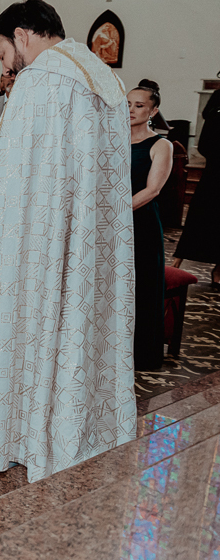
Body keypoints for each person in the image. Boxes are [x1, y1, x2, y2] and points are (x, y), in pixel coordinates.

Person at [0, 0, 135, 485]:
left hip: (33, 246)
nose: (5, 65)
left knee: (14, 327)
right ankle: (66, 433)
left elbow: (2, 173)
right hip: (83, 245)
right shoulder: (102, 77)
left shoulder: (43, 80)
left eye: (1, 54)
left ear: (21, 36)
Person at [127, 85, 173, 371]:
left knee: (141, 286)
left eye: (139, 105)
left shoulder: (161, 145)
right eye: (127, 104)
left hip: (140, 224)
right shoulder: (111, 139)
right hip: (108, 225)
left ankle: (141, 354)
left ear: (153, 111)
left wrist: (115, 213)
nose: (130, 110)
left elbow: (153, 189)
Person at [173, 87, 220, 285]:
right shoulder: (217, 109)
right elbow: (204, 145)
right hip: (216, 173)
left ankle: (218, 270)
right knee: (202, 218)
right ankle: (175, 264)